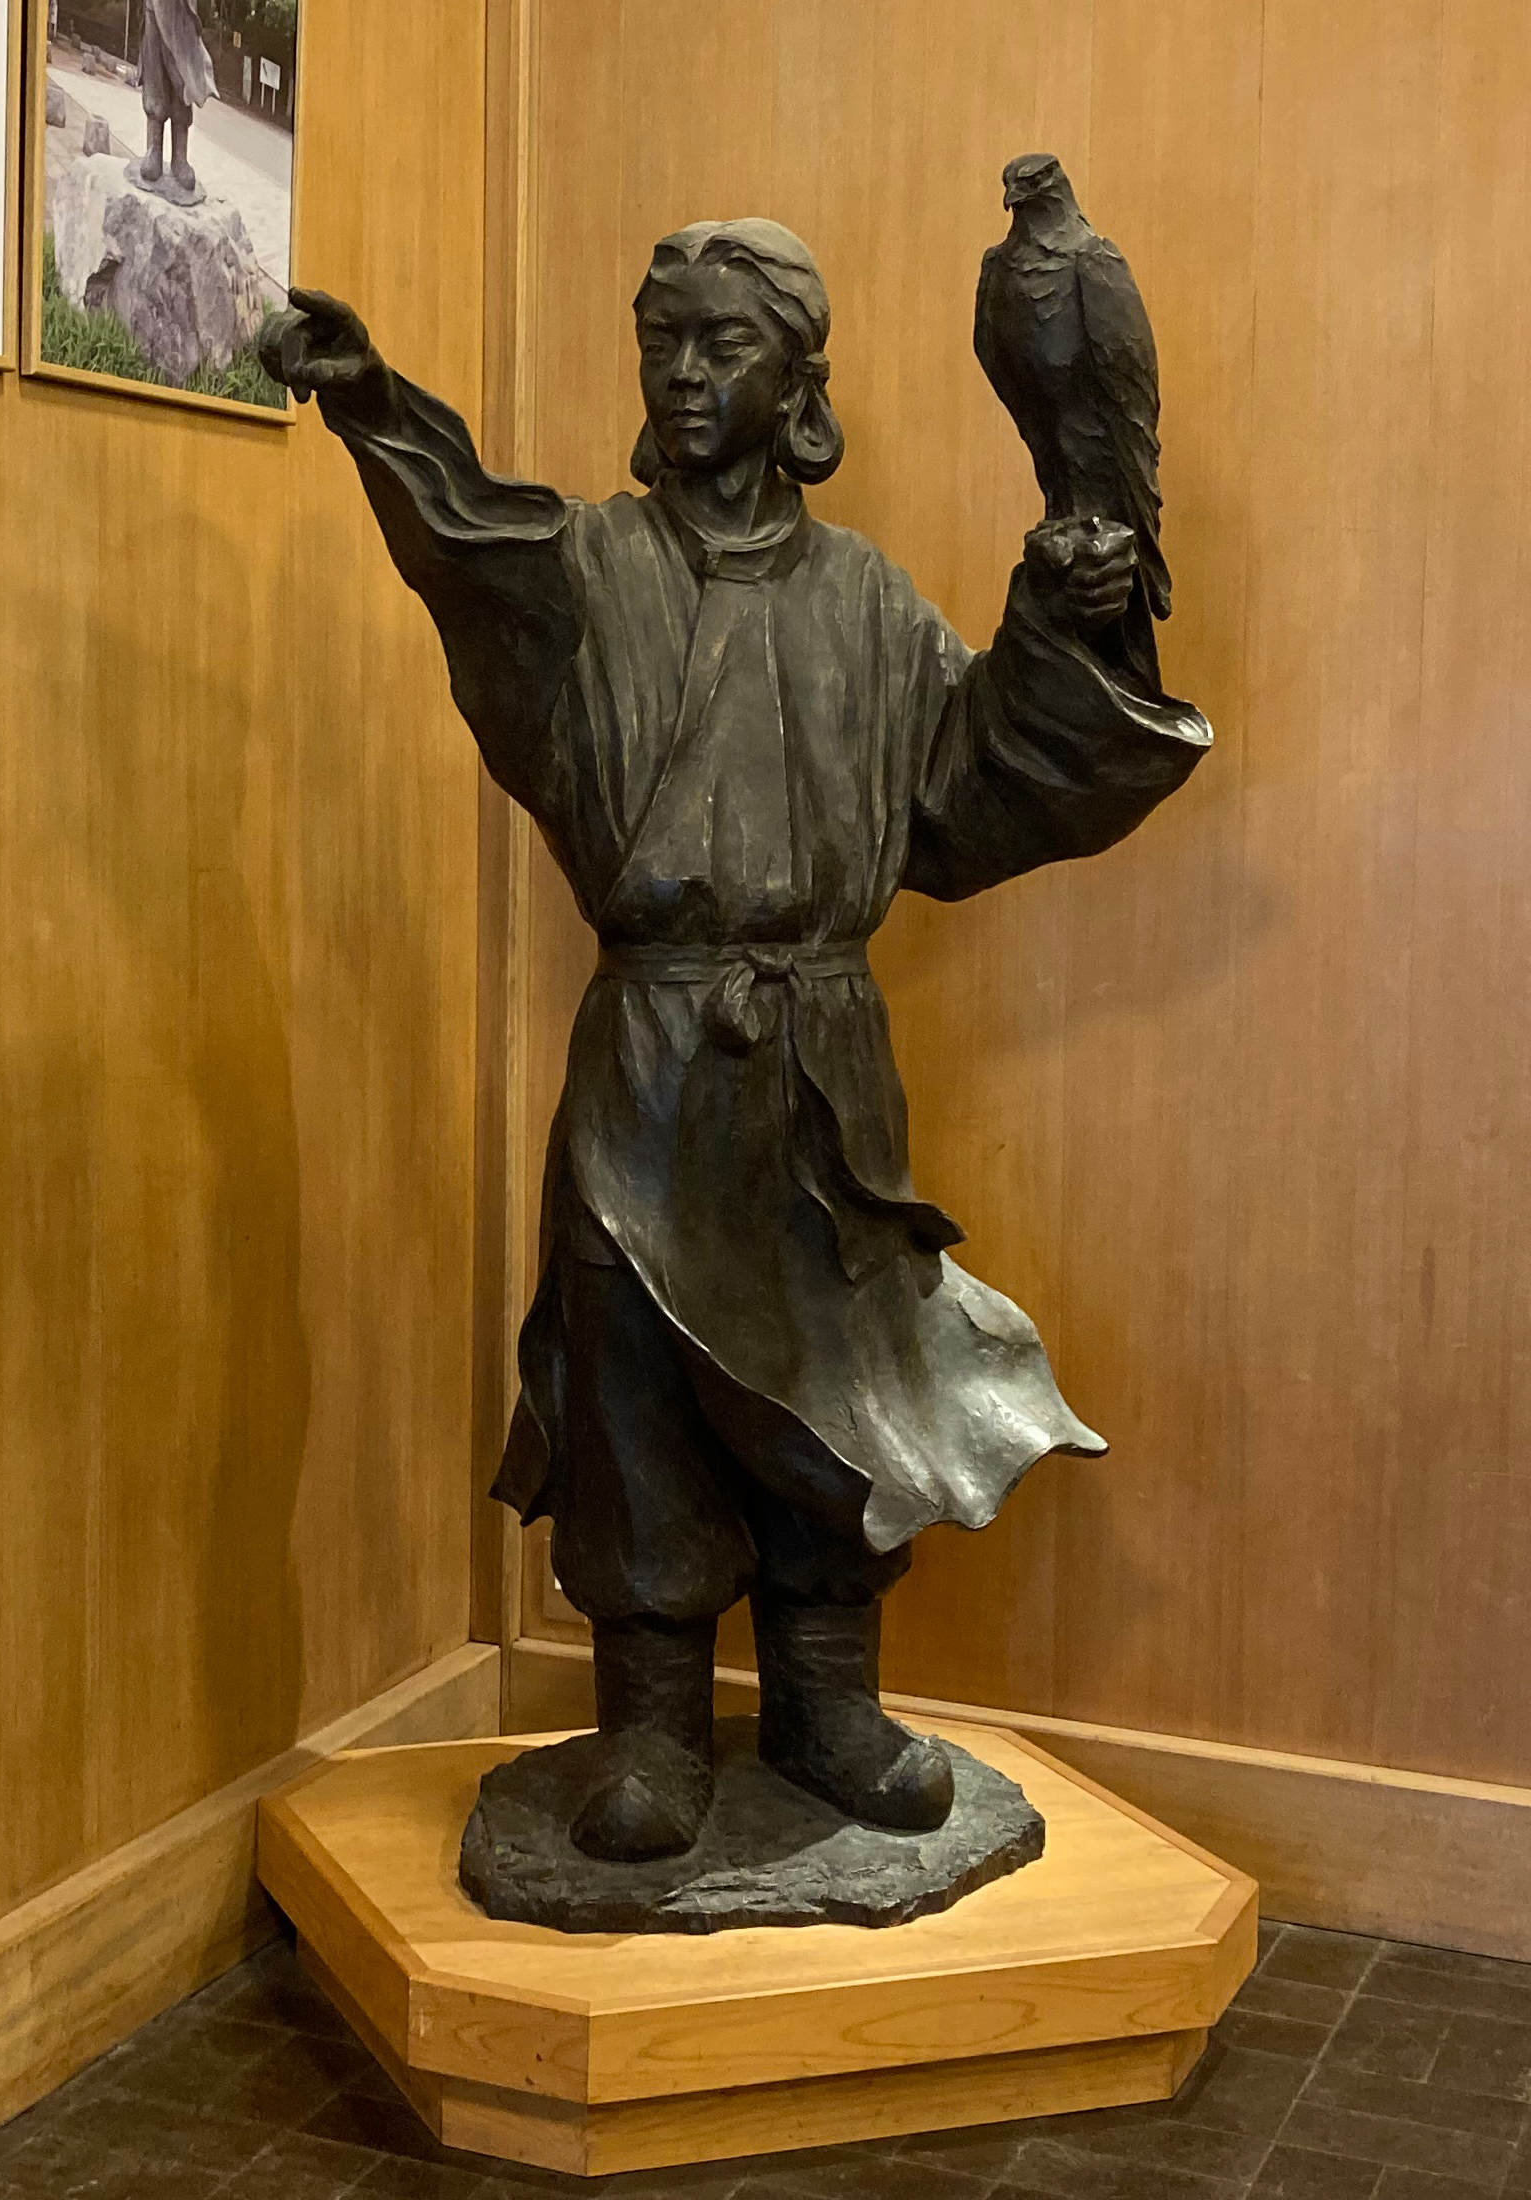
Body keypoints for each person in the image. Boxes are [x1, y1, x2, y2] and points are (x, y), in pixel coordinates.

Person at [261, 223, 1212, 1863]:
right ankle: (647, 1725)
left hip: (823, 1051)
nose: (686, 376)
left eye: (721, 347)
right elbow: (467, 536)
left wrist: (1064, 620)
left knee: (842, 1380)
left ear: (795, 380)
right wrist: (370, 403)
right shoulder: (590, 576)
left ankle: (827, 1704)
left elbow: (977, 774)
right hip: (651, 1045)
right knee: (636, 1374)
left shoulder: (863, 602)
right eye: (663, 345)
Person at [130, 0, 216, 203]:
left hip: (183, 14)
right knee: (154, 75)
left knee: (182, 79)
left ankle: (180, 157)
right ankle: (154, 149)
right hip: (153, 9)